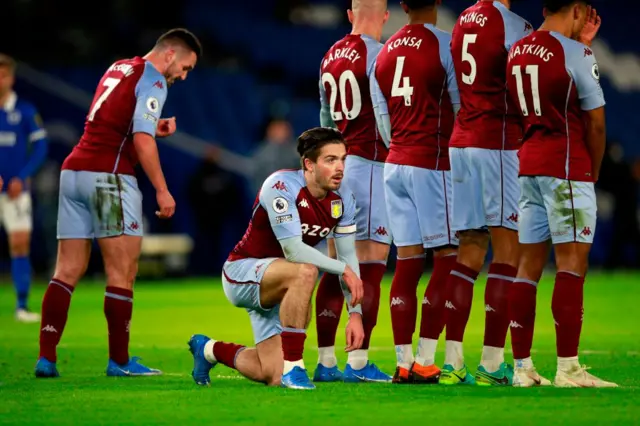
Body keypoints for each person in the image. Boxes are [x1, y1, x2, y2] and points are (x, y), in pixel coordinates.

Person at [35, 28, 202, 378]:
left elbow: (112, 121)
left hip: (74, 171)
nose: (183, 76)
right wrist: (162, 189)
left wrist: (154, 128)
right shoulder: (154, 80)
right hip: (108, 179)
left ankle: (46, 358)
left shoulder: (119, 67)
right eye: (185, 67)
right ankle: (120, 361)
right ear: (169, 54)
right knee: (122, 271)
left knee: (67, 270)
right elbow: (140, 140)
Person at [188, 127, 365, 390]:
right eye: (330, 160)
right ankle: (295, 368)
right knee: (306, 270)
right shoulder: (282, 185)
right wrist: (343, 269)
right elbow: (293, 249)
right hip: (243, 273)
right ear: (309, 164)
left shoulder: (343, 199)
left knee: (269, 373)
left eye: (343, 159)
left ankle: (209, 350)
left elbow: (348, 256)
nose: (340, 167)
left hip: (282, 287)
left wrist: (356, 314)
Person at [506, 0, 616, 388]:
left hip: (528, 166)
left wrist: (579, 43)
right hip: (567, 167)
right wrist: (594, 170)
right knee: (571, 266)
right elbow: (597, 124)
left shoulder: (518, 49)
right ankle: (569, 369)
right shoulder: (577, 54)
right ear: (577, 9)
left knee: (527, 269)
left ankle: (522, 368)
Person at [444, 0, 533, 386]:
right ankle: (493, 366)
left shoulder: (462, 19)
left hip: (460, 140)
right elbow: (525, 81)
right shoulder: (513, 24)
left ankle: (452, 363)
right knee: (508, 250)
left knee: (469, 249)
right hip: (496, 140)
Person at [370, 0, 458, 383]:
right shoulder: (446, 45)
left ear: (402, 5)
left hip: (395, 162)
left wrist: (402, 146)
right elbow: (461, 109)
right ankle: (425, 358)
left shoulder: (383, 53)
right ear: (437, 2)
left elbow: (382, 119)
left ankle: (403, 362)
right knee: (447, 257)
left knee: (406, 263)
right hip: (432, 162)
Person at [314, 0, 392, 384]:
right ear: (386, 15)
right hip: (372, 164)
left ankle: (326, 363)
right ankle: (359, 365)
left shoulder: (330, 56)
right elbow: (385, 115)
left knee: (334, 267)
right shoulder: (381, 54)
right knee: (371, 266)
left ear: (349, 14)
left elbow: (326, 122)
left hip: (337, 167)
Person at [0, 53, 49, 323]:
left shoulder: (25, 110)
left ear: (12, 77)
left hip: (15, 191)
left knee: (20, 244)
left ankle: (21, 306)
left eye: (4, 74)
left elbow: (40, 147)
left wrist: (23, 176)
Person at [207, 118, 300, 197]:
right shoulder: (264, 151)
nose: (286, 130)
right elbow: (248, 167)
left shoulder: (293, 147)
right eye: (280, 127)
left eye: (286, 127)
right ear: (270, 130)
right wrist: (222, 158)